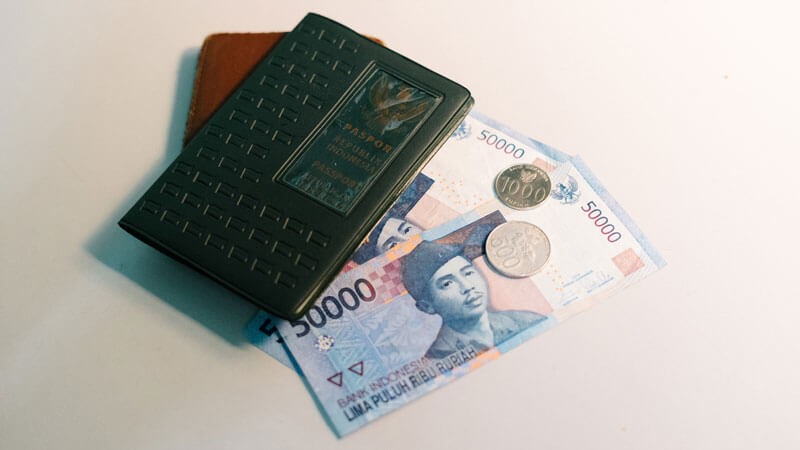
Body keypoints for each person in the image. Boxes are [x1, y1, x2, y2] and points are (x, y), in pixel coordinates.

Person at [402, 240, 547, 359]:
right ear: (426, 306)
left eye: (468, 273)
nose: (467, 287)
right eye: (447, 284)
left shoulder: (526, 320)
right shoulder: (438, 359)